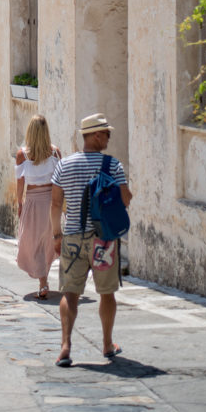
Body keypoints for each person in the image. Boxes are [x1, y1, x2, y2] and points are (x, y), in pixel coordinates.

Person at [50, 113, 132, 365]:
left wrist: (56, 235)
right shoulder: (112, 165)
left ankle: (65, 346)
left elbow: (55, 203)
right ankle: (107, 345)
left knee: (70, 293)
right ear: (96, 135)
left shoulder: (65, 165)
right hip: (103, 241)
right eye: (106, 132)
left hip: (73, 237)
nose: (109, 136)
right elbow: (126, 198)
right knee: (106, 293)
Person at [15, 114, 62, 299]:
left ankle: (43, 282)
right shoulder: (55, 153)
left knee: (32, 242)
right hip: (52, 202)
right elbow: (61, 181)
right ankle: (45, 279)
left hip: (33, 202)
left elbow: (20, 183)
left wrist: (19, 202)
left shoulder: (22, 155)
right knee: (48, 242)